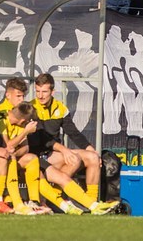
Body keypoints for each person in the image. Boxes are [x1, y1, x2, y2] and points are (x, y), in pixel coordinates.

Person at [30, 73, 117, 214]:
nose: (40, 96)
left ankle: (91, 202)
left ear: (53, 92)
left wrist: (91, 149)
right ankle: (56, 198)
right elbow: (42, 139)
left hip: (54, 154)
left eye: (44, 91)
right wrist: (64, 150)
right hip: (37, 155)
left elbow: (74, 133)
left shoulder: (60, 108)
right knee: (74, 159)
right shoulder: (31, 108)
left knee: (93, 157)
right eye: (37, 91)